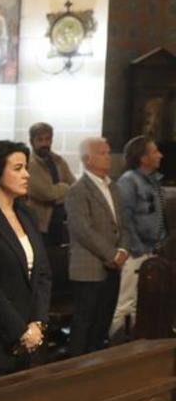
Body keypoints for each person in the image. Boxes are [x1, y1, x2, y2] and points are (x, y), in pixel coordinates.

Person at [0, 141, 52, 381]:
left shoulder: (26, 214)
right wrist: (20, 330)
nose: (26, 175)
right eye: (17, 168)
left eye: (26, 168)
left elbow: (43, 273)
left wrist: (38, 322)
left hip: (32, 335)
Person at [66, 137, 128, 356]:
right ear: (87, 159)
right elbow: (83, 230)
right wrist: (111, 254)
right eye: (102, 153)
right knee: (85, 322)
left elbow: (122, 224)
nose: (108, 156)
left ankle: (95, 366)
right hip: (89, 267)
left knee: (103, 320)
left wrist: (123, 250)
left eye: (108, 152)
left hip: (114, 266)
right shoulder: (78, 190)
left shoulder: (114, 187)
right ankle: (74, 370)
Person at [112, 136, 167, 339]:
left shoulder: (152, 181)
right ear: (143, 158)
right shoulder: (129, 181)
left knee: (141, 303)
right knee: (126, 302)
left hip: (151, 250)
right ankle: (116, 345)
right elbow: (124, 218)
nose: (160, 155)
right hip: (136, 252)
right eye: (154, 152)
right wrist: (136, 249)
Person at [25, 122, 75, 245]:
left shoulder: (58, 160)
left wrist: (60, 192)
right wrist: (64, 188)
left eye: (47, 139)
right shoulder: (30, 164)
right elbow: (47, 194)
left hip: (61, 220)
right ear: (32, 141)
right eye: (40, 140)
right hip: (40, 224)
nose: (44, 143)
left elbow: (74, 186)